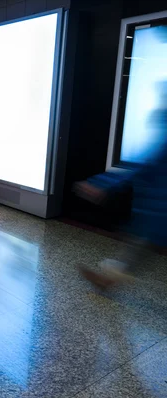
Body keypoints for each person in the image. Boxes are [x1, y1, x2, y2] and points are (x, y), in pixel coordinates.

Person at [77, 81, 167, 289]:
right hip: (156, 209)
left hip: (158, 209)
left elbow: (146, 163)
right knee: (139, 246)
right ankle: (108, 278)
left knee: (140, 244)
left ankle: (108, 278)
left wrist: (101, 184)